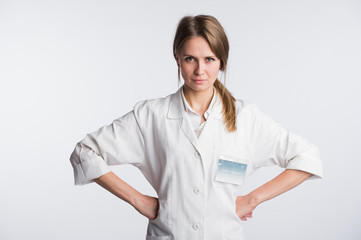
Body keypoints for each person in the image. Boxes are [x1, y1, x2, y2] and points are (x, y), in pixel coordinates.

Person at [69, 15, 323, 240]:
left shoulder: (246, 118)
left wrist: (251, 199)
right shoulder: (151, 116)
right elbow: (85, 151)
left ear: (221, 62)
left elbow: (306, 157)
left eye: (209, 59)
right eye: (190, 59)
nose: (200, 70)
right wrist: (138, 200)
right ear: (177, 58)